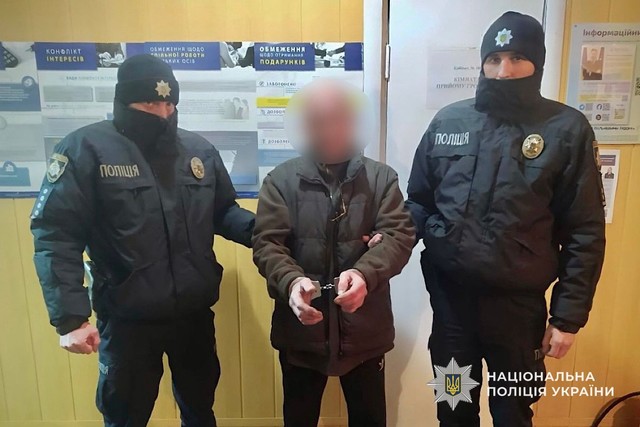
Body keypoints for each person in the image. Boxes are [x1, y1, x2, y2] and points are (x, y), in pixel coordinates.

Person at [31, 54, 255, 427]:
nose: (162, 113)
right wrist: (70, 319)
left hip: (193, 315)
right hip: (128, 320)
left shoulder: (197, 151)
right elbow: (56, 235)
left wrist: (270, 231)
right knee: (125, 416)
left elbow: (223, 212)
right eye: (151, 103)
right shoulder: (86, 149)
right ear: (125, 101)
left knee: (200, 409)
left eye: (169, 104)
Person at [406, 12, 606, 427]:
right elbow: (419, 203)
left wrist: (567, 319)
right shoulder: (448, 122)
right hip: (452, 310)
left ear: (537, 63)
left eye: (517, 58)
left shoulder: (566, 130)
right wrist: (387, 240)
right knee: (453, 409)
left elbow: (584, 232)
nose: (504, 70)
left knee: (513, 414)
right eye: (494, 59)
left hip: (518, 314)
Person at [252, 79, 415, 427]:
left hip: (366, 333)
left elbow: (399, 236)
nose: (329, 129)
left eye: (338, 119)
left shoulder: (381, 179)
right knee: (299, 419)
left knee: (370, 420)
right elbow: (267, 244)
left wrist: (364, 274)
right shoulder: (280, 181)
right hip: (300, 333)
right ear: (304, 125)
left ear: (353, 122)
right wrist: (291, 282)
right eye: (318, 120)